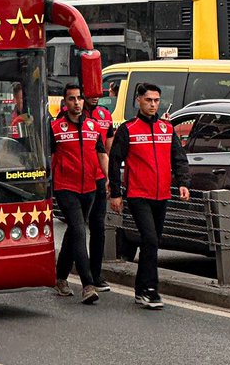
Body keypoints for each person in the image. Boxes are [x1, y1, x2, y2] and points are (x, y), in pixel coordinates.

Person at [108, 82, 191, 310]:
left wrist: (183, 183)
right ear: (139, 101)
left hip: (161, 194)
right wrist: (116, 194)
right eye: (148, 100)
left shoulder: (167, 128)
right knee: (151, 239)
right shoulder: (128, 129)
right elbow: (115, 161)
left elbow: (178, 158)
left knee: (151, 243)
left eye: (156, 100)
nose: (153, 105)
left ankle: (140, 290)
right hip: (138, 194)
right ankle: (151, 290)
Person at [50, 83, 109, 304]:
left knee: (74, 232)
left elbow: (101, 154)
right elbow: (49, 157)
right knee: (79, 230)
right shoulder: (55, 128)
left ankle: (60, 277)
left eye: (79, 98)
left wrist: (109, 179)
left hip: (90, 188)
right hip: (65, 187)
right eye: (71, 99)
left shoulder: (93, 126)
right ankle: (88, 285)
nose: (76, 102)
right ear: (65, 102)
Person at [82, 89, 115, 292]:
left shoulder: (105, 115)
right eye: (90, 92)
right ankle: (63, 274)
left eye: (97, 92)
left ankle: (95, 274)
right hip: (77, 182)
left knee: (98, 228)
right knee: (76, 230)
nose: (95, 96)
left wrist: (108, 177)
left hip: (98, 180)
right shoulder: (70, 116)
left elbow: (108, 149)